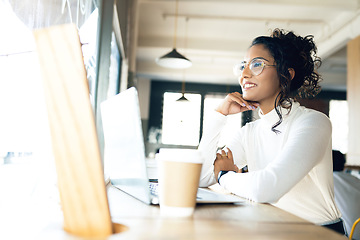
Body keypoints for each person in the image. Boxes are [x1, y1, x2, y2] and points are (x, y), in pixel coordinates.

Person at [198, 28, 345, 235]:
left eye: (257, 64)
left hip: (318, 233)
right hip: (272, 230)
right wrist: (218, 115)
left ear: (286, 74)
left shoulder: (314, 123)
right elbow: (203, 178)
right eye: (243, 66)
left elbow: (267, 188)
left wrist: (225, 174)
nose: (245, 74)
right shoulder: (249, 132)